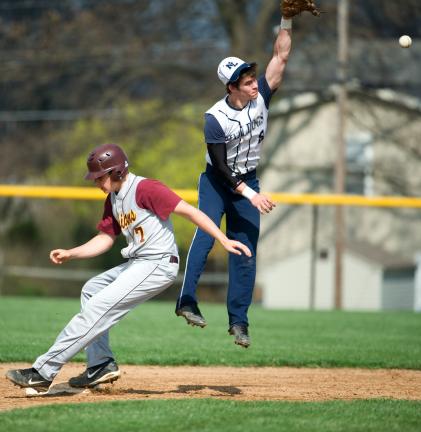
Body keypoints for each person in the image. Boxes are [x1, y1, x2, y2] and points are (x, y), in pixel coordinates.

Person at [5, 143, 251, 390]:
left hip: (158, 263)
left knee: (98, 308)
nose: (96, 182)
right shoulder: (113, 198)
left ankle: (43, 372)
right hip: (138, 263)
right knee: (91, 289)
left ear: (117, 172)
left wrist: (223, 239)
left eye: (99, 177)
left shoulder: (146, 188)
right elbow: (105, 238)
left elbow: (190, 212)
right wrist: (72, 253)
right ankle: (100, 364)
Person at [175, 13, 293, 348]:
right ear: (231, 88)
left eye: (253, 77)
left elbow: (281, 56)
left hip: (248, 182)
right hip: (217, 182)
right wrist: (250, 195)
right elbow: (222, 166)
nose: (254, 83)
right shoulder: (215, 118)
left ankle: (239, 322)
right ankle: (186, 301)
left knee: (245, 250)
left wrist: (287, 20)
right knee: (205, 236)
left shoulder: (262, 99)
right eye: (246, 81)